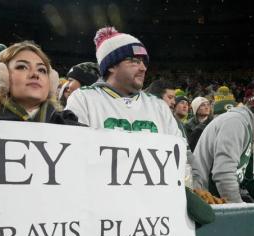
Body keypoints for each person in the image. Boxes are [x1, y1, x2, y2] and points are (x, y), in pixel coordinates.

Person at [65, 27, 191, 162]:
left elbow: (182, 155)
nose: (143, 68)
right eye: (135, 61)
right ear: (111, 65)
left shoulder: (158, 105)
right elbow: (73, 154)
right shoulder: (83, 99)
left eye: (144, 62)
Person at [192, 90, 254, 203]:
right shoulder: (236, 123)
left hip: (212, 200)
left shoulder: (246, 127)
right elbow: (224, 174)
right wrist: (239, 209)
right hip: (204, 200)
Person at [0, 41, 76, 125]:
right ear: (1, 77)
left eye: (42, 70)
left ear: (51, 82)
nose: (35, 74)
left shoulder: (71, 125)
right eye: (22, 67)